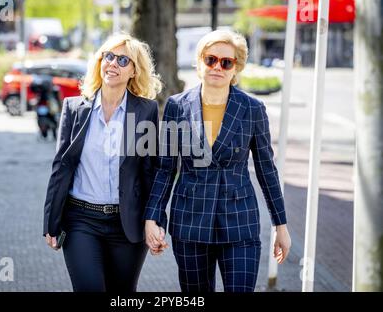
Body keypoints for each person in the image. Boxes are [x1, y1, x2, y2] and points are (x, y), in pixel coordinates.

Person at [144, 30, 291, 292]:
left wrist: (281, 225)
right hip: (190, 221)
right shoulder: (177, 106)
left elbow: (266, 169)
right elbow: (165, 168)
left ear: (236, 68)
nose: (217, 67)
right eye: (210, 59)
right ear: (200, 62)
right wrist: (152, 216)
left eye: (226, 62)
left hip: (239, 222)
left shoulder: (253, 109)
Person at [43, 33, 162, 292]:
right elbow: (61, 167)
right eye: (109, 57)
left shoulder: (146, 110)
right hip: (80, 221)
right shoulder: (74, 108)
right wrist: (50, 220)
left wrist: (155, 220)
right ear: (99, 61)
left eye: (122, 60)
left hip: (127, 223)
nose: (113, 64)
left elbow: (151, 171)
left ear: (134, 71)